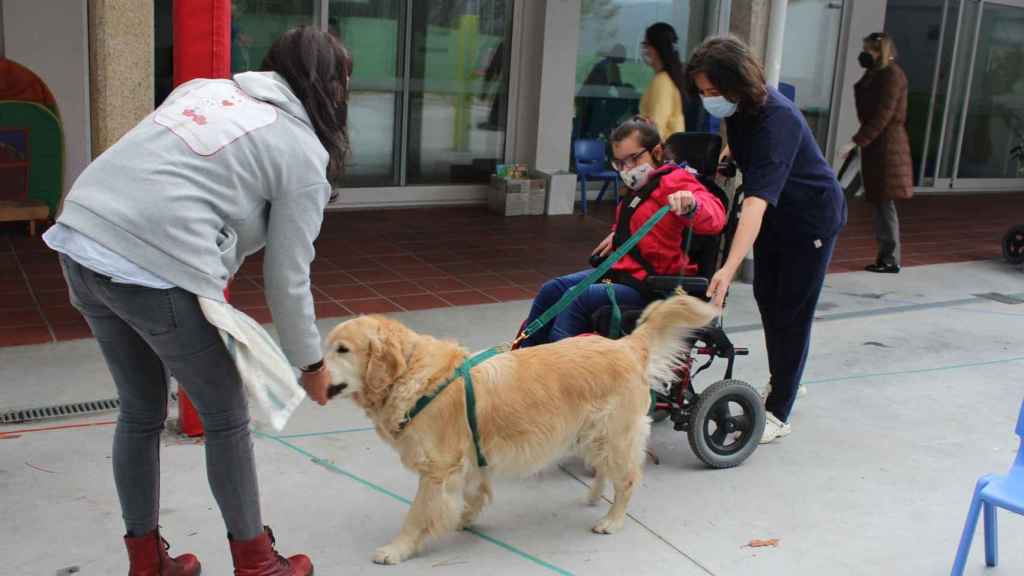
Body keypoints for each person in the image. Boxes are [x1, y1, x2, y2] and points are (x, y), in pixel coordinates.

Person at [42, 26, 350, 576]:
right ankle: (257, 563)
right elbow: (288, 277)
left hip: (79, 240)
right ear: (330, 89)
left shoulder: (204, 91)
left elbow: (180, 188)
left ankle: (146, 562)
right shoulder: (302, 150)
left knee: (139, 409)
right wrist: (311, 364)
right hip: (146, 266)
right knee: (226, 412)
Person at [686, 36, 846, 444]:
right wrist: (727, 155)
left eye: (714, 92)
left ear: (737, 82)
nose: (710, 100)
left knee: (792, 308)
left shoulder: (780, 120)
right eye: (703, 93)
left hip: (809, 218)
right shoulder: (740, 108)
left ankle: (780, 409)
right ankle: (783, 380)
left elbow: (755, 202)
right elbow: (741, 144)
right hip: (776, 215)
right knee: (767, 298)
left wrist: (728, 266)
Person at [521, 117, 726, 347]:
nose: (627, 169)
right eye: (620, 163)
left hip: (653, 287)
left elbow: (716, 217)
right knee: (553, 289)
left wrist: (692, 205)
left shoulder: (675, 180)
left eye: (633, 159)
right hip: (624, 274)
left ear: (657, 151)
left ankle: (560, 375)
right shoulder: (640, 186)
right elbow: (641, 221)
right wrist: (619, 234)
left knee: (576, 297)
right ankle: (524, 358)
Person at [839, 32, 913, 274]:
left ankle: (890, 259)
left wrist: (855, 142)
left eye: (870, 49)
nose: (865, 53)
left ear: (881, 52)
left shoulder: (892, 75)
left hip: (885, 147)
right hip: (874, 145)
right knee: (843, 192)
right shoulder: (876, 74)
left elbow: (884, 115)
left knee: (882, 203)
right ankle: (887, 257)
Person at [640, 22, 687, 141]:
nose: (644, 50)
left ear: (655, 48)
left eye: (646, 44)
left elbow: (656, 127)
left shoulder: (662, 81)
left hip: (662, 153)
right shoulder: (669, 78)